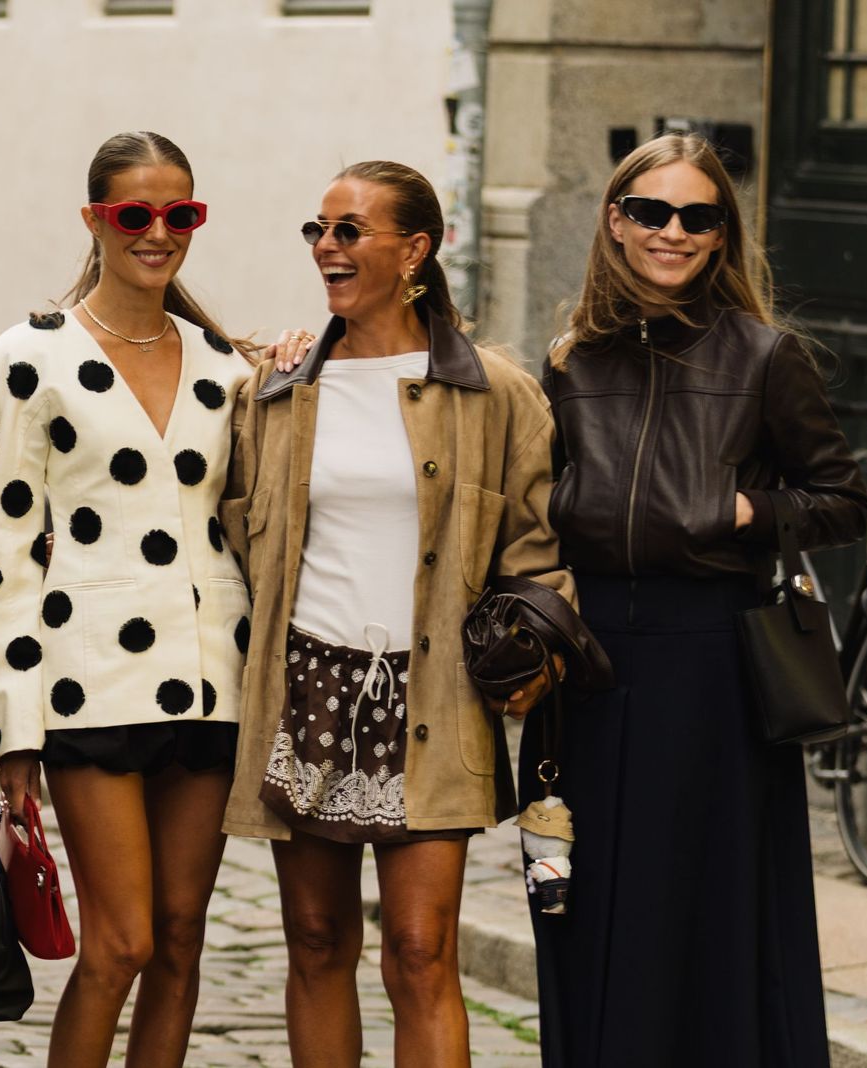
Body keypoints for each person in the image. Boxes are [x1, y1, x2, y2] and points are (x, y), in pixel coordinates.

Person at [521, 133, 867, 1068]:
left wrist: (744, 507)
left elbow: (842, 498)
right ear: (615, 221)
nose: (673, 232)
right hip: (588, 666)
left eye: (698, 217)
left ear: (721, 236)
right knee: (581, 894)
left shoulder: (764, 356)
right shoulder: (568, 359)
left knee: (706, 903)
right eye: (652, 212)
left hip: (712, 663)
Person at [222, 161, 569, 1067]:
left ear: (415, 249)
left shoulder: (494, 392)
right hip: (305, 690)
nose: (325, 248)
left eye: (348, 231)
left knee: (421, 953)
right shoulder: (280, 385)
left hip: (433, 695)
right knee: (316, 942)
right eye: (318, 230)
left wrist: (532, 652)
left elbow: (539, 550)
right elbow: (232, 530)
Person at [0, 131, 253, 1067]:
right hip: (86, 684)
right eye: (136, 213)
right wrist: (13, 728)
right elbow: (4, 546)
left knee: (180, 943)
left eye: (181, 213)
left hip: (213, 681)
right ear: (96, 220)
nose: (159, 231)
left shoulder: (227, 369)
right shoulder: (31, 354)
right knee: (122, 942)